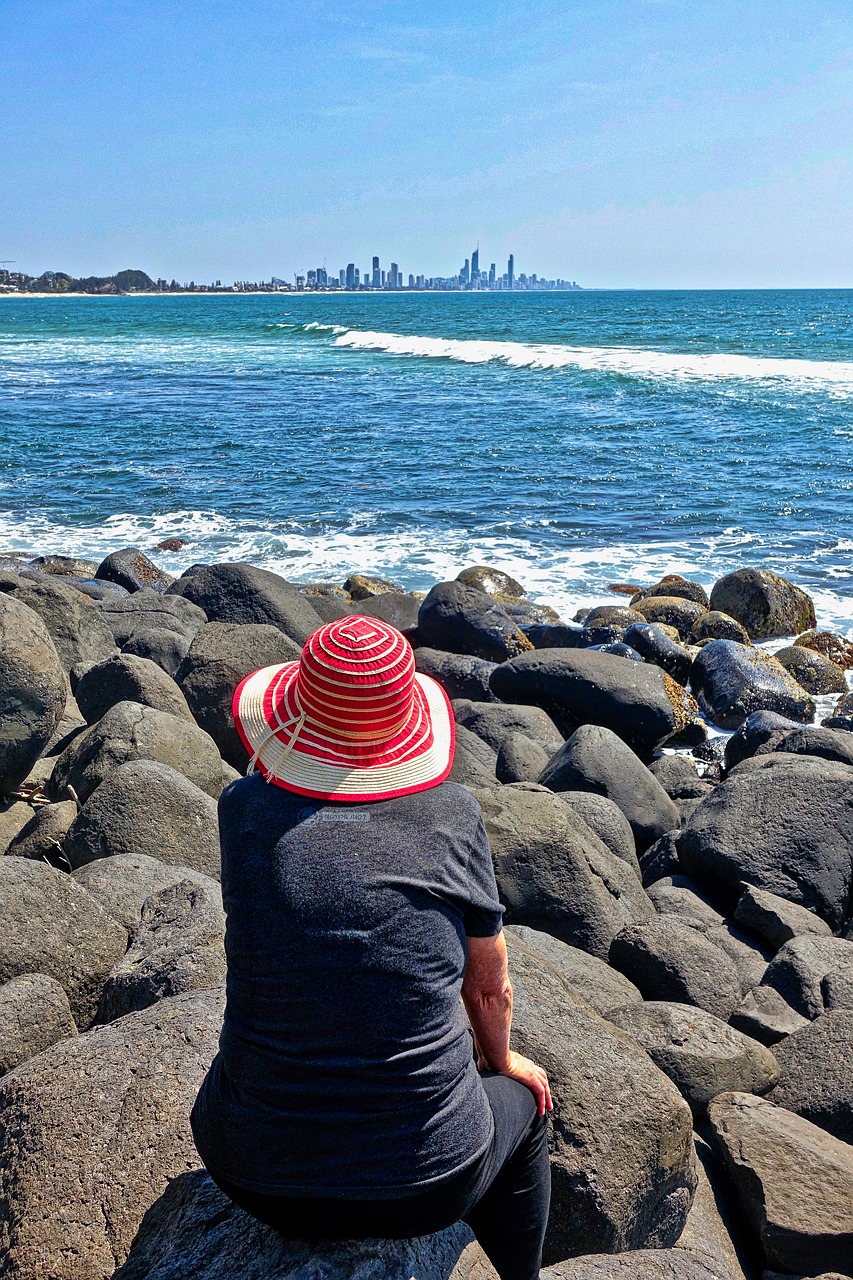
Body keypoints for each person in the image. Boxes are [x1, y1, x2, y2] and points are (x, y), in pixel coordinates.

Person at [191, 614, 552, 1280]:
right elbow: (486, 987)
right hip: (421, 1190)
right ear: (407, 722)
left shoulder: (241, 806)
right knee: (527, 1109)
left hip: (247, 1169)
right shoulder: (450, 813)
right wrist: (501, 1060)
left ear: (293, 711)